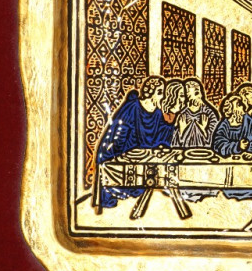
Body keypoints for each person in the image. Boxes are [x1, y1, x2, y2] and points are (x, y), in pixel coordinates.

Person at [94, 75, 175, 209]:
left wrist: (170, 123)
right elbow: (119, 134)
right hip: (123, 151)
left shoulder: (157, 112)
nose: (163, 96)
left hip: (143, 155)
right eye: (160, 92)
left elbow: (161, 135)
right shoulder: (132, 107)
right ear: (150, 92)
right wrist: (120, 154)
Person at [211, 94, 252, 201]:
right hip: (229, 167)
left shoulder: (247, 120)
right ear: (231, 110)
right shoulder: (225, 124)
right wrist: (237, 146)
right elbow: (218, 144)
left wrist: (250, 147)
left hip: (248, 168)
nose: (242, 106)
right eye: (238, 104)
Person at [171, 77, 220, 149]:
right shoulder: (182, 114)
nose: (200, 96)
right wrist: (181, 131)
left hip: (206, 152)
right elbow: (174, 142)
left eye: (199, 92)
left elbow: (216, 139)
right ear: (188, 96)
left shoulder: (209, 114)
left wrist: (203, 130)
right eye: (196, 93)